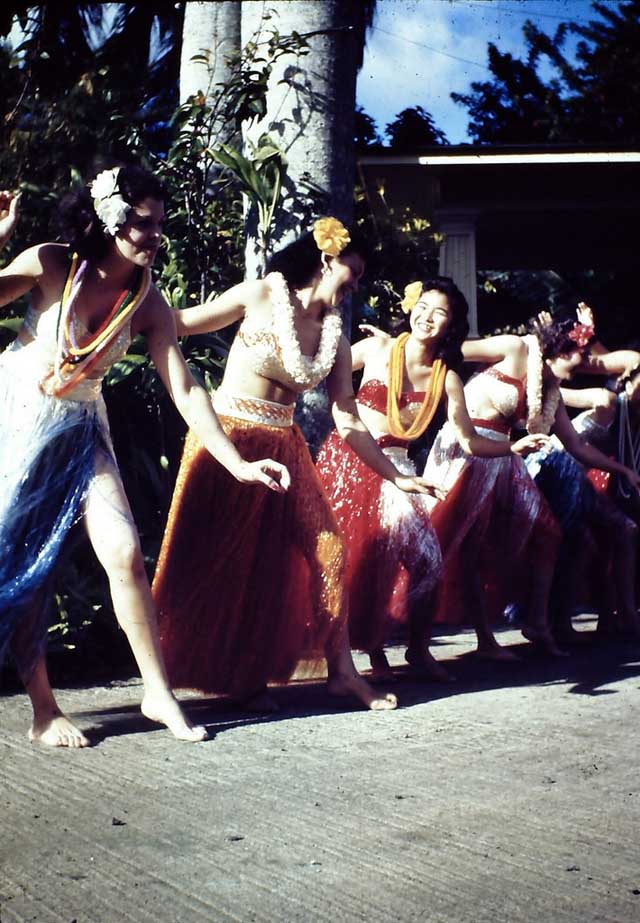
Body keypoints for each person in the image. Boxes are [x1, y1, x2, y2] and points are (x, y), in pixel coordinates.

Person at [0, 167, 288, 747]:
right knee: (25, 565)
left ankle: (157, 693)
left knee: (126, 552)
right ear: (109, 218)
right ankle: (44, 711)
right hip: (16, 419)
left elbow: (184, 387)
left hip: (82, 424)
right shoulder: (51, 263)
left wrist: (235, 461)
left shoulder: (148, 300)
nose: (154, 234)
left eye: (159, 223)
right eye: (141, 223)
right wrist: (2, 237)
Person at [153, 219, 432, 712]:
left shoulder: (336, 338)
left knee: (328, 548)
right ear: (328, 259)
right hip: (227, 436)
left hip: (286, 445)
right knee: (224, 560)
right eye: (356, 270)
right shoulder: (260, 295)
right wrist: (123, 301)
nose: (357, 284)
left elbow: (347, 418)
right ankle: (225, 679)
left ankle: (342, 674)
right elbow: (179, 322)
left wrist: (397, 476)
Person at [316, 277, 550, 681]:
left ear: (451, 325)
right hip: (349, 458)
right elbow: (320, 368)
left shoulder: (448, 379)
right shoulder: (378, 348)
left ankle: (418, 650)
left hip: (399, 470)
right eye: (423, 306)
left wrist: (512, 448)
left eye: (439, 312)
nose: (427, 316)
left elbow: (470, 439)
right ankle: (359, 653)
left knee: (427, 560)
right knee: (349, 559)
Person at [426, 310, 640, 649]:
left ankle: (537, 624)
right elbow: (451, 351)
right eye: (581, 358)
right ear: (565, 351)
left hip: (504, 457)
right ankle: (432, 641)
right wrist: (403, 349)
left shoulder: (551, 391)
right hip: (465, 448)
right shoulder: (516, 348)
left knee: (546, 534)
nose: (582, 368)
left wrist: (622, 470)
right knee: (453, 542)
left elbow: (577, 445)